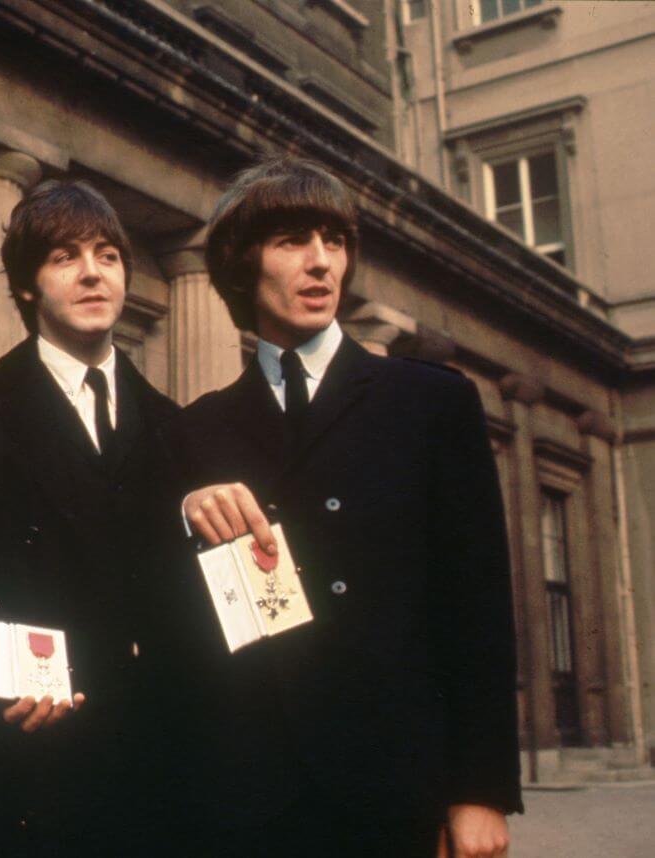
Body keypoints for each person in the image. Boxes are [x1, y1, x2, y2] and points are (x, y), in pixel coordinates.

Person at [150, 156, 522, 857]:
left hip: (393, 788)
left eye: (335, 241)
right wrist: (183, 517)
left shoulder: (431, 401)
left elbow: (477, 609)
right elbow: (170, 628)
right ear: (240, 262)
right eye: (293, 241)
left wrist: (480, 789)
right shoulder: (194, 431)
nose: (321, 262)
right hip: (247, 798)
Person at [0, 179, 192, 853]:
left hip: (159, 763)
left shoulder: (178, 427)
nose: (93, 272)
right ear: (28, 285)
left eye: (108, 255)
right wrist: (6, 678)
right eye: (65, 256)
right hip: (24, 755)